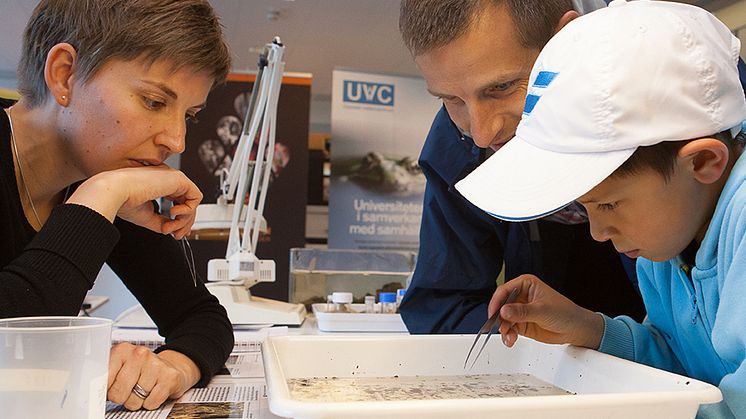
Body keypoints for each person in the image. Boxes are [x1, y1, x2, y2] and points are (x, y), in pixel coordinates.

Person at [457, 1, 746, 416]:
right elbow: (680, 369)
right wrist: (592, 329)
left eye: (610, 203)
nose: (597, 232)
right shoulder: (666, 239)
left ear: (702, 162)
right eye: (587, 207)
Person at [1, 0, 234, 411]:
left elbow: (200, 315)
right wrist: (98, 198)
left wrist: (174, 368)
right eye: (154, 102)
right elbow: (13, 336)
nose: (176, 141)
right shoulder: (107, 186)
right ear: (65, 74)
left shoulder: (108, 173)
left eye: (189, 116)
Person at [397, 0, 646, 333]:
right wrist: (539, 345)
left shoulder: (689, 94)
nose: (483, 135)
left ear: (568, 39)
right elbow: (443, 307)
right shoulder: (457, 145)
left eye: (500, 87)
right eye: (451, 99)